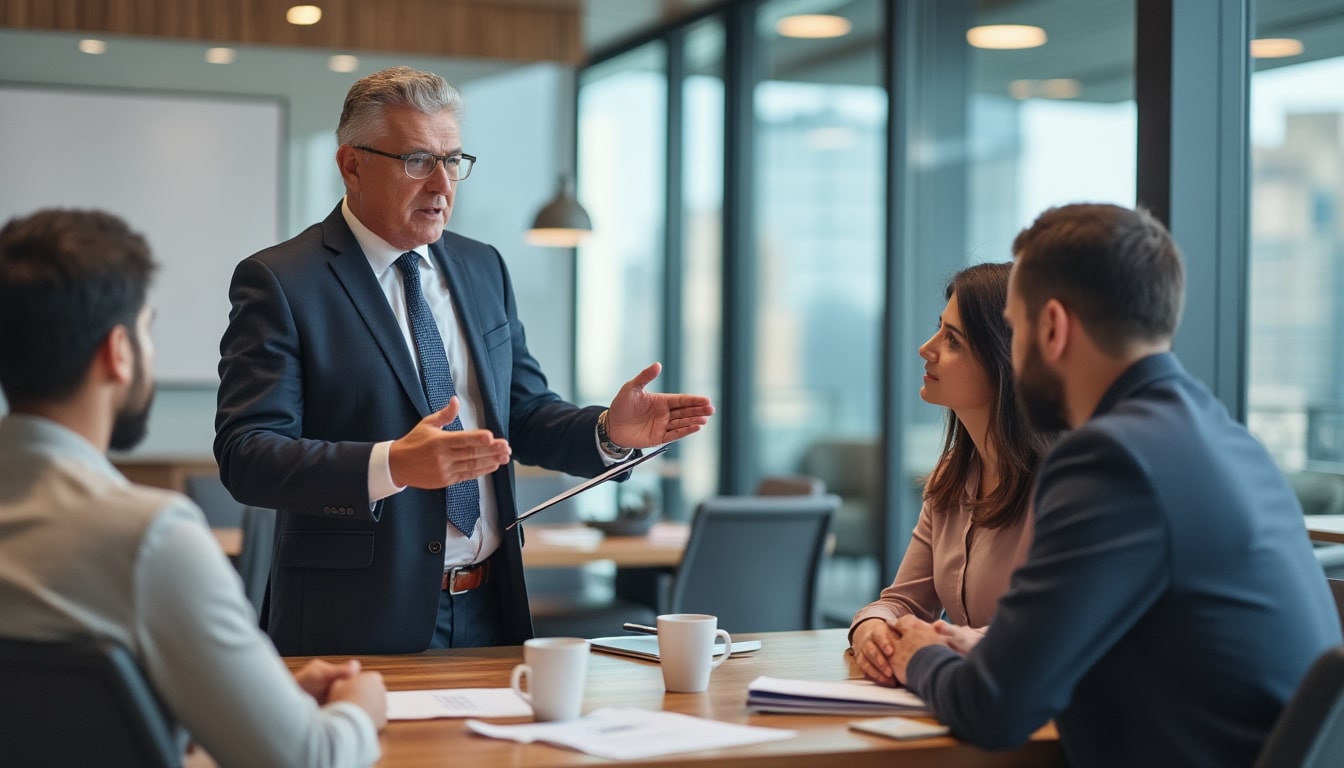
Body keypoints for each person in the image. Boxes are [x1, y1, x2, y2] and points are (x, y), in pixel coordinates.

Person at [214, 66, 714, 656]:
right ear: (351, 165)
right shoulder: (282, 280)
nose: (442, 185)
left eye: (454, 161)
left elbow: (523, 415)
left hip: (491, 610)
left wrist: (609, 431)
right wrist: (394, 464)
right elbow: (247, 455)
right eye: (418, 161)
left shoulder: (483, 268)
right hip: (353, 619)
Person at [879, 203, 1343, 766]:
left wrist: (921, 655)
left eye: (1018, 330)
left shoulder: (1111, 458)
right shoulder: (1222, 437)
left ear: (1052, 327)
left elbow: (993, 707)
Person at [0, 209, 387, 768]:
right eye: (146, 327)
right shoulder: (149, 540)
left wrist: (253, 704)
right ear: (120, 351)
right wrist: (358, 708)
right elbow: (307, 760)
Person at [849, 262, 1053, 685]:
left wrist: (941, 640)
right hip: (963, 697)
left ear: (1004, 361)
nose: (927, 347)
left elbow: (1046, 631)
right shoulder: (951, 478)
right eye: (938, 328)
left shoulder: (1061, 488)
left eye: (953, 339)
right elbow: (902, 601)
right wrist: (871, 630)